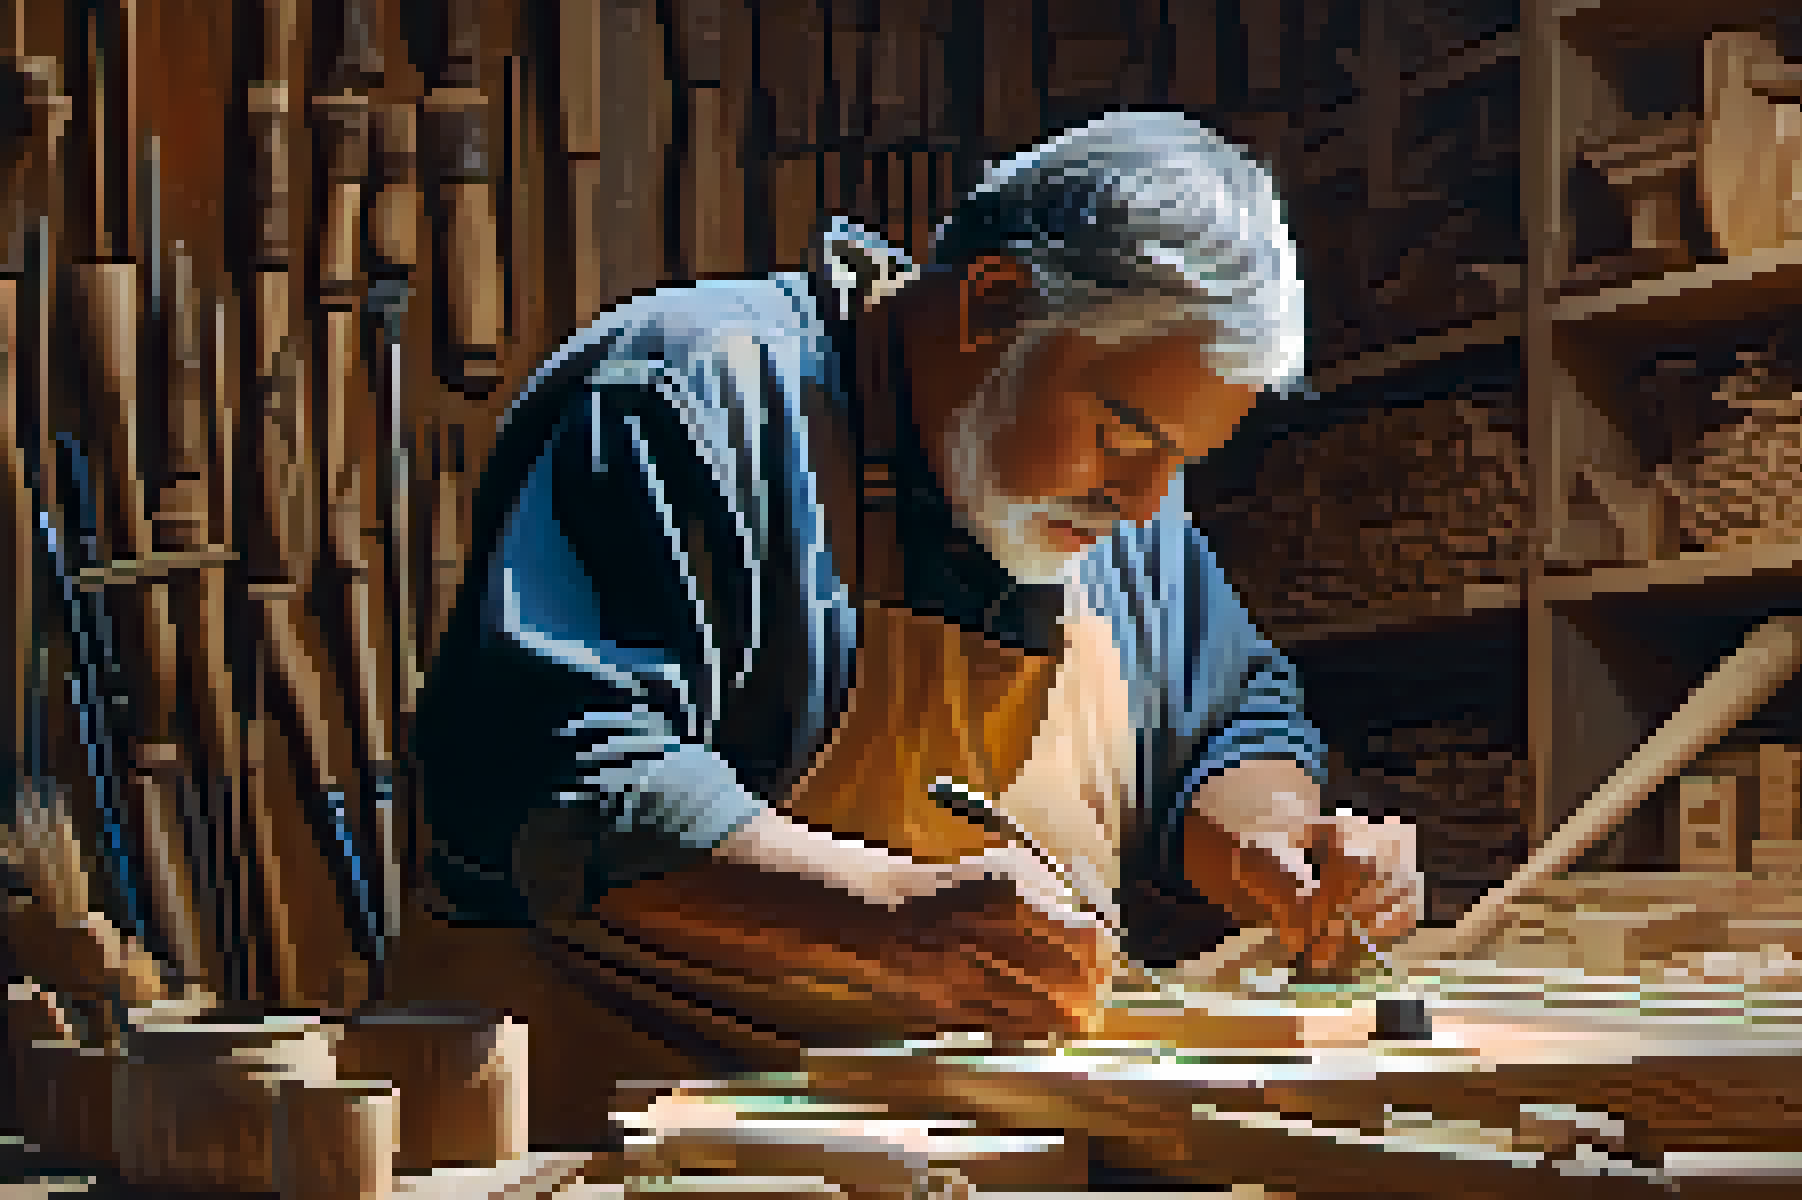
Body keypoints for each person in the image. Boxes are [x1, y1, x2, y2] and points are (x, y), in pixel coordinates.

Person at [392, 110, 1425, 1141]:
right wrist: (886, 917)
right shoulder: (690, 400)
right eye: (1123, 433)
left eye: (1180, 461)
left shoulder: (1117, 510)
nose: (1148, 503)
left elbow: (1235, 721)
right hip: (607, 1133)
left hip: (924, 1146)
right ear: (995, 303)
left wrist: (1275, 841)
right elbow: (559, 780)